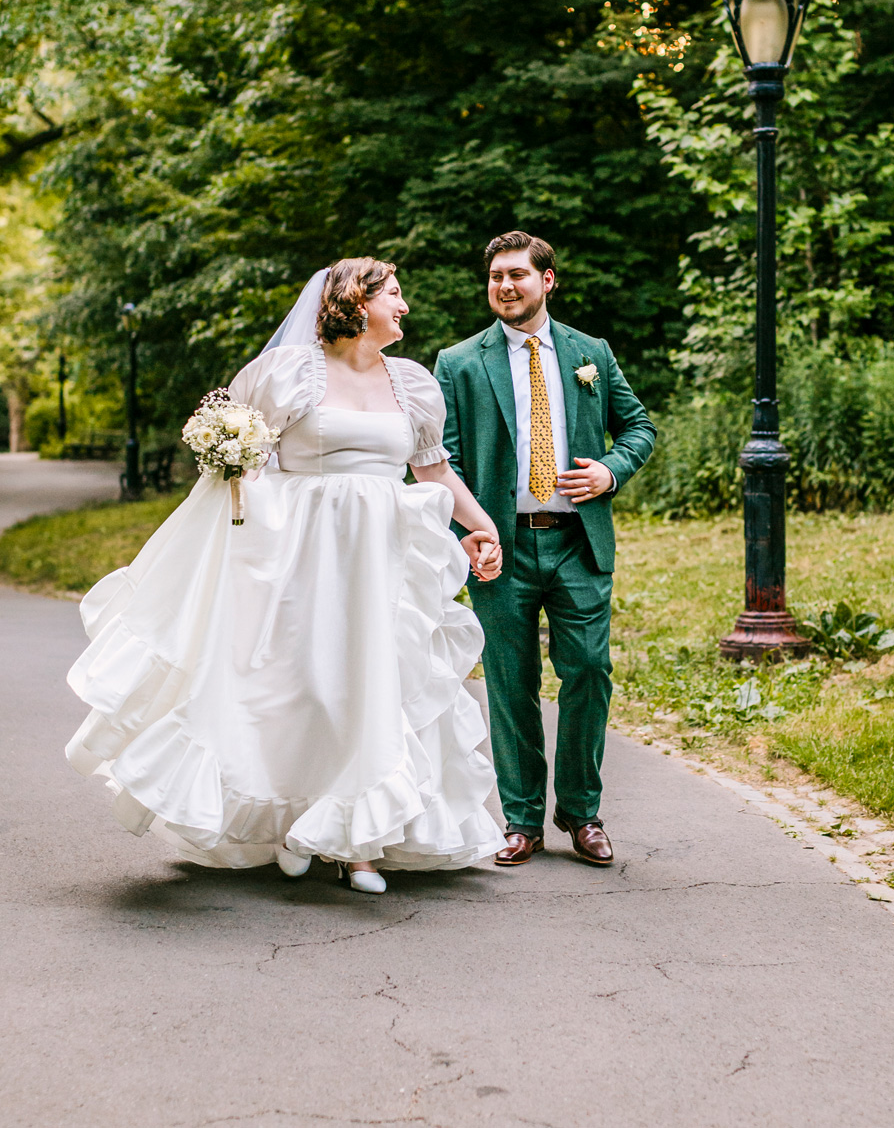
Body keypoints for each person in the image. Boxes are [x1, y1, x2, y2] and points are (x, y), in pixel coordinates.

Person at [66, 258, 506, 894]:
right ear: (357, 302)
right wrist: (234, 470)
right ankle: (290, 825)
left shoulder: (412, 384)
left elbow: (432, 470)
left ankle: (361, 845)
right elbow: (244, 460)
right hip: (300, 556)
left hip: (382, 559)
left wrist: (481, 527)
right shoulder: (288, 373)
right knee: (298, 687)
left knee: (372, 687)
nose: (405, 307)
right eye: (395, 295)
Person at [434, 231, 656, 867]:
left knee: (588, 671)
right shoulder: (459, 362)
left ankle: (581, 812)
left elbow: (638, 425)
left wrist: (611, 470)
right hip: (500, 547)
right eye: (496, 277)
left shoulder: (592, 353)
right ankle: (522, 820)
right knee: (510, 682)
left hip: (577, 542)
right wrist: (467, 535)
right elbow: (438, 460)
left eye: (517, 276)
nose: (505, 286)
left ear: (547, 280)